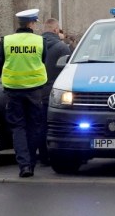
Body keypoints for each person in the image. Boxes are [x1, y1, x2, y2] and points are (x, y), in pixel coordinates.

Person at [0, 9, 47, 178]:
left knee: (18, 128)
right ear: (32, 23)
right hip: (34, 90)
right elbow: (43, 61)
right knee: (34, 127)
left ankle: (24, 165)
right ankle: (32, 163)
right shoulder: (40, 41)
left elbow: (3, 62)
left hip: (13, 90)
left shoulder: (6, 41)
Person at [39, 18, 72, 164]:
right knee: (54, 125)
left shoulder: (35, 45)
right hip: (54, 93)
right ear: (55, 30)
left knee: (37, 125)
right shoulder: (62, 48)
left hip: (35, 91)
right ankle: (53, 154)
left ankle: (41, 156)